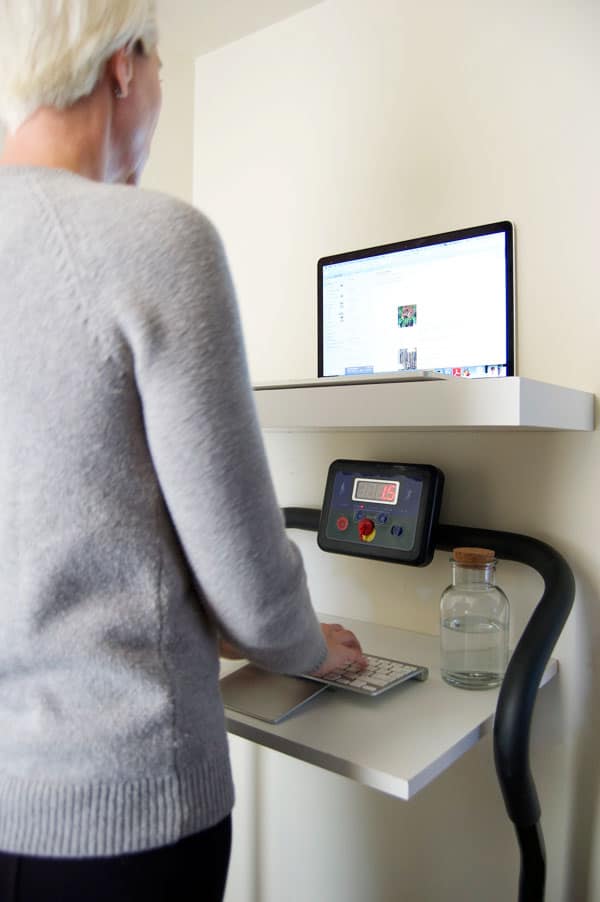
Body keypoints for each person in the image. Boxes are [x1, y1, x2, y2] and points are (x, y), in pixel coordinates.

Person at [0, 2, 366, 900]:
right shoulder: (155, 239)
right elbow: (244, 576)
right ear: (125, 66)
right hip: (124, 810)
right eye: (162, 70)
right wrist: (306, 645)